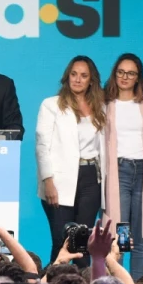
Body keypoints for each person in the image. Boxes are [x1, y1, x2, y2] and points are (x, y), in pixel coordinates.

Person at [35, 56, 107, 263]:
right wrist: (48, 181)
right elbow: (42, 146)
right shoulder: (51, 105)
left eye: (83, 76)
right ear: (67, 77)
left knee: (83, 244)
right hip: (59, 179)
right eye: (74, 74)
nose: (77, 79)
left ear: (91, 80)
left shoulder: (101, 108)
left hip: (90, 178)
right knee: (62, 242)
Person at [102, 53, 143, 281]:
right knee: (119, 236)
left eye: (131, 73)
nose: (125, 77)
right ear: (115, 74)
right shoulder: (105, 103)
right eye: (121, 72)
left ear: (138, 77)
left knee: (141, 236)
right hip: (118, 172)